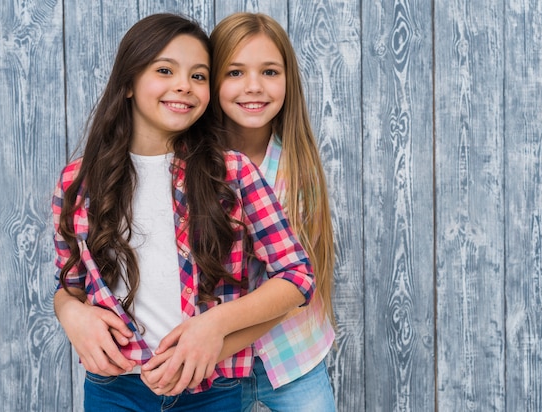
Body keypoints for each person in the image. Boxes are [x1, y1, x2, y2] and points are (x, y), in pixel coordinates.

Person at [52, 13, 315, 412]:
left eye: (198, 76)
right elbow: (70, 284)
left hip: (212, 388)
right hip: (113, 388)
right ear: (127, 83)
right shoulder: (78, 180)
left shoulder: (234, 172)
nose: (183, 85)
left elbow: (297, 275)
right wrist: (71, 313)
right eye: (164, 70)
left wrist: (214, 327)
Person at [209, 12, 337, 411]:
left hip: (292, 354)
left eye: (269, 71)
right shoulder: (190, 168)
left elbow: (296, 284)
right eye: (234, 72)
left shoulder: (299, 170)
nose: (253, 87)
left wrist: (214, 333)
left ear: (288, 81)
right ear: (209, 80)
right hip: (214, 367)